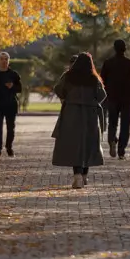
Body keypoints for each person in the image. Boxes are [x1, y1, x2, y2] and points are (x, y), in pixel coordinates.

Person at [51, 52, 106, 189]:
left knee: (75, 144)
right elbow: (102, 95)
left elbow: (58, 89)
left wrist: (67, 98)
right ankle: (84, 175)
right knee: (88, 143)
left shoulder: (68, 76)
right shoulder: (94, 79)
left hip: (72, 113)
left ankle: (77, 175)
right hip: (90, 115)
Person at [99, 39, 130, 159]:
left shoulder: (108, 63)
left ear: (114, 48)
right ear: (125, 49)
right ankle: (121, 150)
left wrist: (102, 97)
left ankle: (112, 139)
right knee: (125, 124)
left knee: (112, 122)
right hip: (126, 97)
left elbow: (102, 81)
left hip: (112, 97)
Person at [0, 52, 22, 157]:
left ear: (8, 61)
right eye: (1, 59)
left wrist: (12, 87)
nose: (4, 61)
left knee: (11, 128)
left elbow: (19, 89)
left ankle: (9, 148)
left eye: (6, 59)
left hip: (11, 105)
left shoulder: (14, 75)